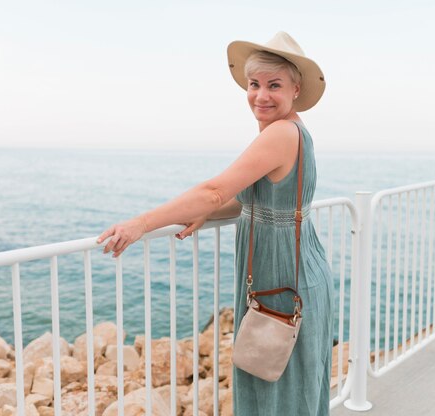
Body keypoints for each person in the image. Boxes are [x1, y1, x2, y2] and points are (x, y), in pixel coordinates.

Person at [97, 31, 333, 416]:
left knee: (276, 381)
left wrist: (142, 222)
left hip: (284, 276)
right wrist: (211, 211)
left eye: (274, 85)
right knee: (288, 380)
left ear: (295, 88)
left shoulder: (280, 133)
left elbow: (214, 190)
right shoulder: (294, 130)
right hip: (297, 272)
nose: (261, 95)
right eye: (254, 84)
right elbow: (250, 199)